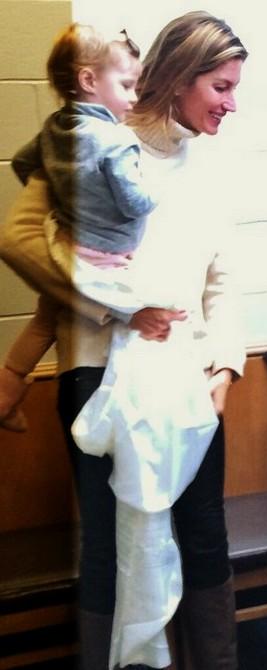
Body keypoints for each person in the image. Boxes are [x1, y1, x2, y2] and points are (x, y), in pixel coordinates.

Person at [0, 11, 248, 670]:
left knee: (202, 539)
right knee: (109, 549)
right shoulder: (92, 139)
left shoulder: (210, 167)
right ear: (178, 77)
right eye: (221, 87)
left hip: (190, 380)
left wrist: (225, 366)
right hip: (98, 375)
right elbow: (23, 243)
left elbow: (222, 283)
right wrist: (119, 307)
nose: (232, 103)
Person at [0, 23, 155, 433]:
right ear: (89, 80)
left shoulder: (54, 128)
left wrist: (64, 192)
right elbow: (133, 201)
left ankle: (7, 393)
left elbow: (20, 162)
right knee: (147, 311)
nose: (134, 97)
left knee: (43, 321)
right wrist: (154, 195)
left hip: (66, 244)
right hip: (104, 260)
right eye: (126, 86)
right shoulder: (115, 140)